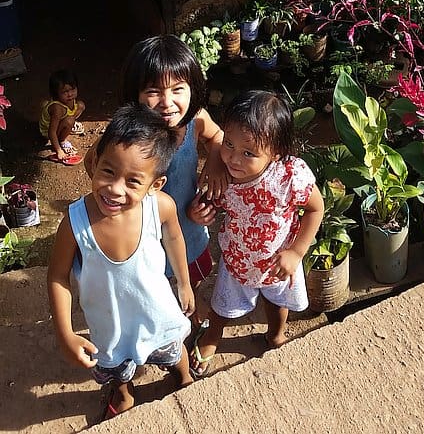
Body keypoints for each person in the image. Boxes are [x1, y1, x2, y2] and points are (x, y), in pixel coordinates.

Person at [47, 103, 195, 420]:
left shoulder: (161, 207)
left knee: (173, 351)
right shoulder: (75, 222)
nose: (114, 189)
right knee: (117, 367)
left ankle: (184, 377)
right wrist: (65, 333)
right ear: (95, 162)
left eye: (132, 181)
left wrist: (183, 282)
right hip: (109, 326)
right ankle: (124, 392)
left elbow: (174, 238)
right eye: (108, 172)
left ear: (155, 185)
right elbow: (57, 277)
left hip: (157, 315)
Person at [85, 34, 228, 324]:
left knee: (189, 283)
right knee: (152, 295)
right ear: (134, 93)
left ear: (193, 88)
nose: (167, 102)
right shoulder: (123, 138)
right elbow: (95, 167)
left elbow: (217, 136)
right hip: (143, 239)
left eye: (178, 89)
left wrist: (213, 162)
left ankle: (190, 316)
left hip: (187, 230)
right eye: (153, 91)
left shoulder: (195, 121)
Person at [189, 90, 324, 377]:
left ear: (275, 153)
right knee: (222, 306)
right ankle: (213, 336)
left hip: (278, 262)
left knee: (278, 304)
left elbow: (316, 209)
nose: (234, 158)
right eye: (228, 144)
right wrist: (196, 213)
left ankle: (275, 334)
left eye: (248, 153)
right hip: (237, 260)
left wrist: (296, 252)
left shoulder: (289, 177)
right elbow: (205, 203)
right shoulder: (222, 175)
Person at [39, 68, 85, 164]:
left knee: (81, 105)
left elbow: (76, 108)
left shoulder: (69, 99)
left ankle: (68, 126)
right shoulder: (57, 108)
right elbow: (51, 132)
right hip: (48, 131)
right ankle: (62, 139)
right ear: (56, 93)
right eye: (65, 92)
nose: (70, 94)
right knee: (69, 121)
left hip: (60, 120)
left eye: (73, 89)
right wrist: (59, 150)